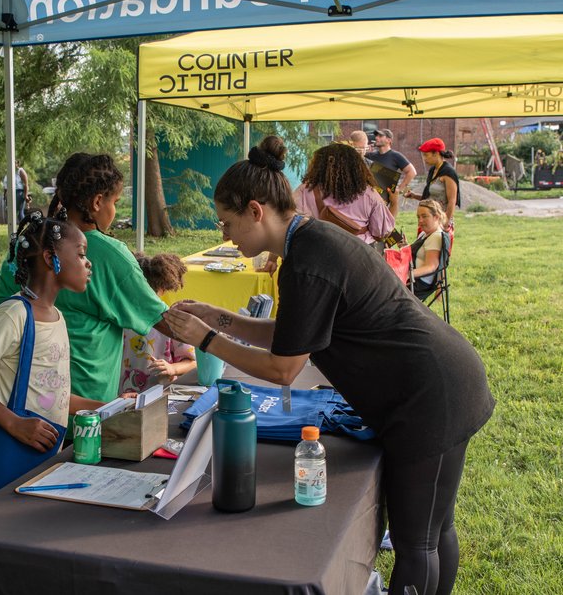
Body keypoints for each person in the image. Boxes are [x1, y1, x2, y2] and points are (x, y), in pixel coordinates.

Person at [163, 142, 494, 595]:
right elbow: (293, 334)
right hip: (440, 377)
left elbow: (283, 368)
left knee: (419, 541)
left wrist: (204, 338)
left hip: (431, 392)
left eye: (226, 222)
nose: (226, 234)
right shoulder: (308, 241)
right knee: (436, 531)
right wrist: (216, 316)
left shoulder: (308, 259)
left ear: (256, 211)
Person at [0, 153, 169, 403]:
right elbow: (162, 320)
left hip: (28, 398)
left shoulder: (30, 242)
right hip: (84, 408)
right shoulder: (112, 255)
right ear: (97, 202)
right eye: (114, 202)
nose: (87, 263)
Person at [0, 211, 111, 454]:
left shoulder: (57, 318)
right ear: (50, 257)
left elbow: (54, 396)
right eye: (80, 254)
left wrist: (110, 407)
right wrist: (14, 423)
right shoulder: (14, 314)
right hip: (6, 452)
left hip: (42, 453)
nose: (88, 262)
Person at [294, 141, 399, 245]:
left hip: (316, 251)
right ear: (356, 167)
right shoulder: (370, 195)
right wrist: (394, 204)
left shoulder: (305, 190)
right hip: (357, 253)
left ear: (319, 166)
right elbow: (381, 233)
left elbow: (292, 224)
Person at [119, 253, 196, 394]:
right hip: (120, 396)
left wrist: (173, 368)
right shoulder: (119, 314)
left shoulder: (170, 318)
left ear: (162, 289)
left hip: (160, 395)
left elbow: (193, 362)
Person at [404, 138, 460, 234]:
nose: (424, 159)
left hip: (441, 223)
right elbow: (432, 198)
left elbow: (452, 201)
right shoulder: (432, 170)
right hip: (429, 221)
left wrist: (445, 223)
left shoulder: (448, 172)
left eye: (426, 155)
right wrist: (414, 196)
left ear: (436, 153)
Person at [411, 199, 448, 298]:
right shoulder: (424, 233)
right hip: (413, 278)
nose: (420, 221)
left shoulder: (436, 237)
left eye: (424, 216)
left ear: (436, 217)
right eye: (418, 217)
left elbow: (431, 266)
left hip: (418, 284)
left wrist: (407, 274)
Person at [367, 128, 417, 194]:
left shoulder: (396, 156)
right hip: (370, 195)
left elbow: (412, 172)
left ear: (389, 140)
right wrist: (364, 152)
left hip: (385, 197)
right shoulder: (369, 155)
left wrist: (399, 189)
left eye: (380, 136)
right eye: (376, 136)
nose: (376, 138)